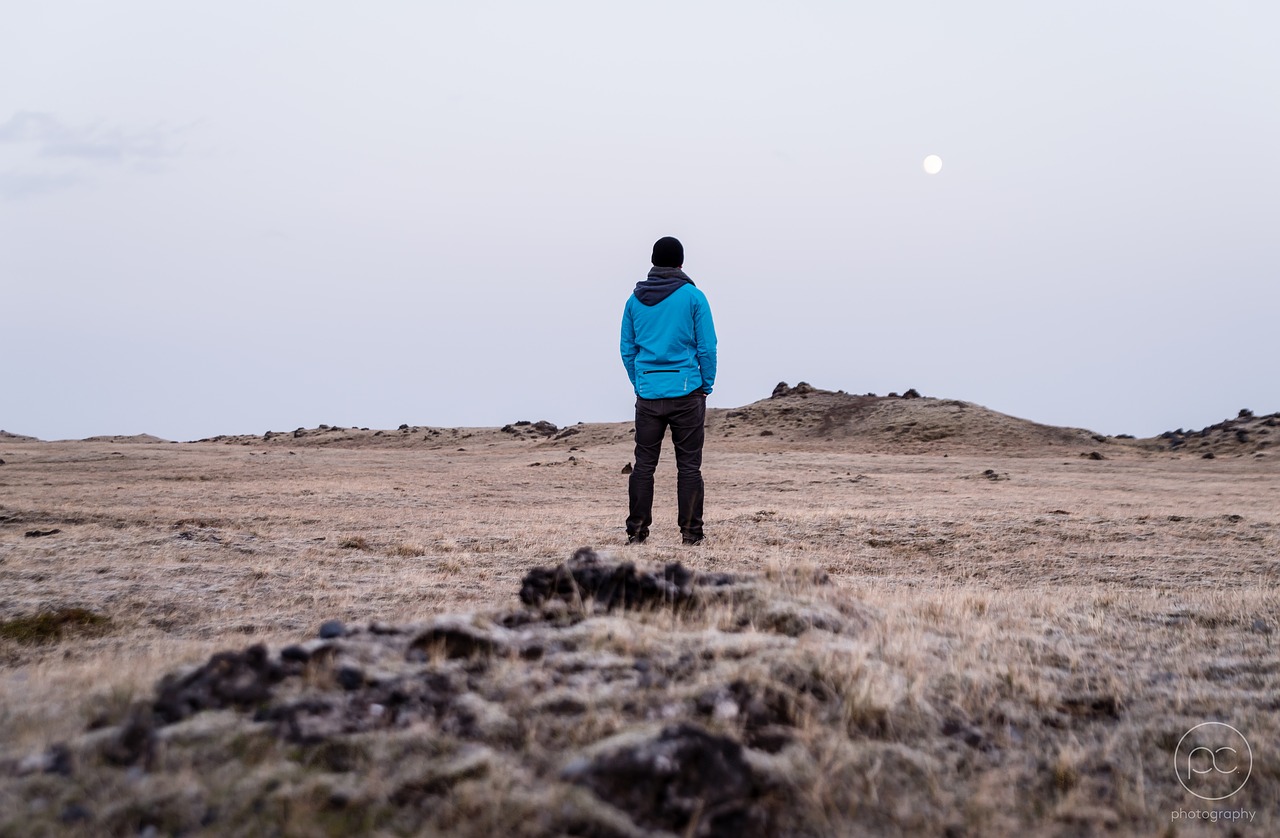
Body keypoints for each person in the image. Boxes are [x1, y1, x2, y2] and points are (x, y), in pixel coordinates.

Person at [620, 236, 717, 545]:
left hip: (648, 395)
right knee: (689, 466)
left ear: (653, 262)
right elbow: (707, 348)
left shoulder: (634, 300)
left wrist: (641, 382)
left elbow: (627, 349)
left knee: (643, 466)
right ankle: (691, 535)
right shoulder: (693, 297)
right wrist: (707, 384)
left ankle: (636, 533)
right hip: (687, 392)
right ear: (680, 263)